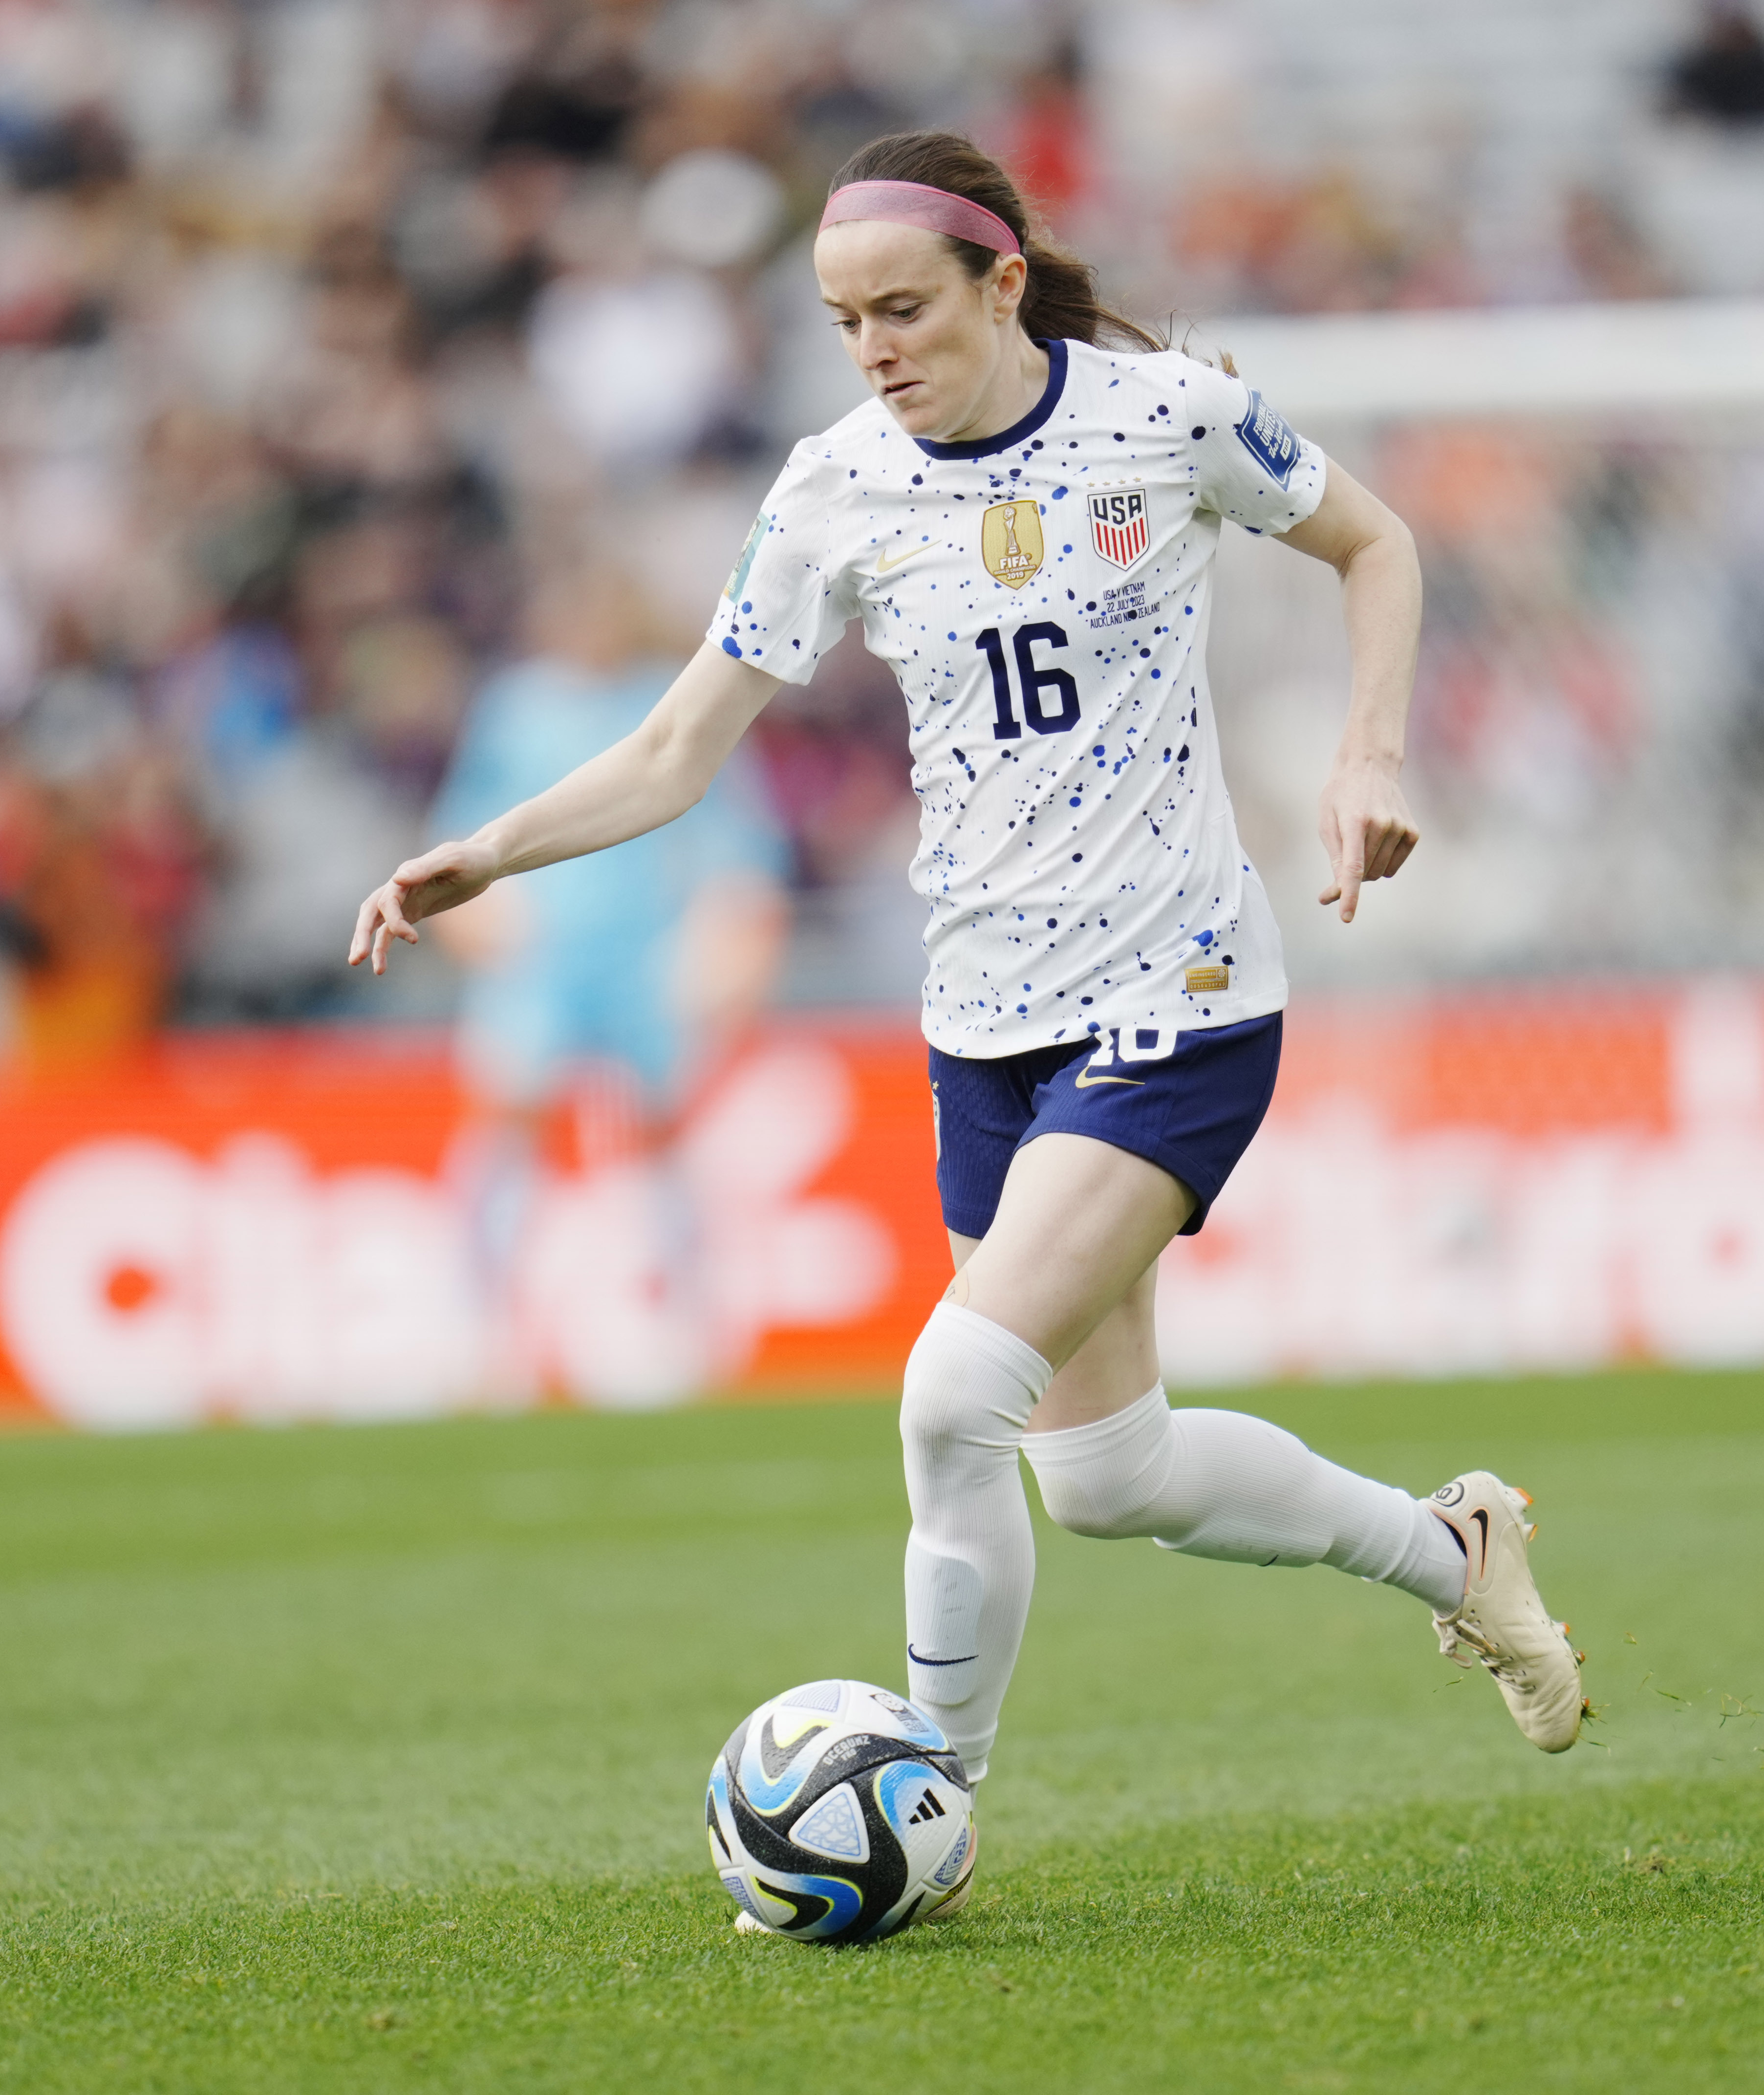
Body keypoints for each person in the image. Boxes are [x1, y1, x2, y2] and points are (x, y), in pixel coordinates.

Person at [349, 132, 1586, 1881]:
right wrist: (491, 848)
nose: (875, 347)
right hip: (985, 1020)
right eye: (846, 319)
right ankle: (1456, 1553)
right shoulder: (834, 486)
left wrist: (1366, 750)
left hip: (1179, 990)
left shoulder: (1163, 416)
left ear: (1003, 280)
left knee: (948, 1399)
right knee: (1107, 1474)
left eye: (905, 309)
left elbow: (1374, 541)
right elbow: (675, 745)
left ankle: (923, 1792)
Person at [426, 555, 790, 1385]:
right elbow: (464, 821)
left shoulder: (669, 694)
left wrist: (731, 933)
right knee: (508, 1122)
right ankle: (480, 1330)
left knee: (660, 1132)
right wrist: (476, 922)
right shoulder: (516, 709)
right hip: (541, 954)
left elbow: (738, 835)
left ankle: (689, 1326)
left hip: (646, 951)